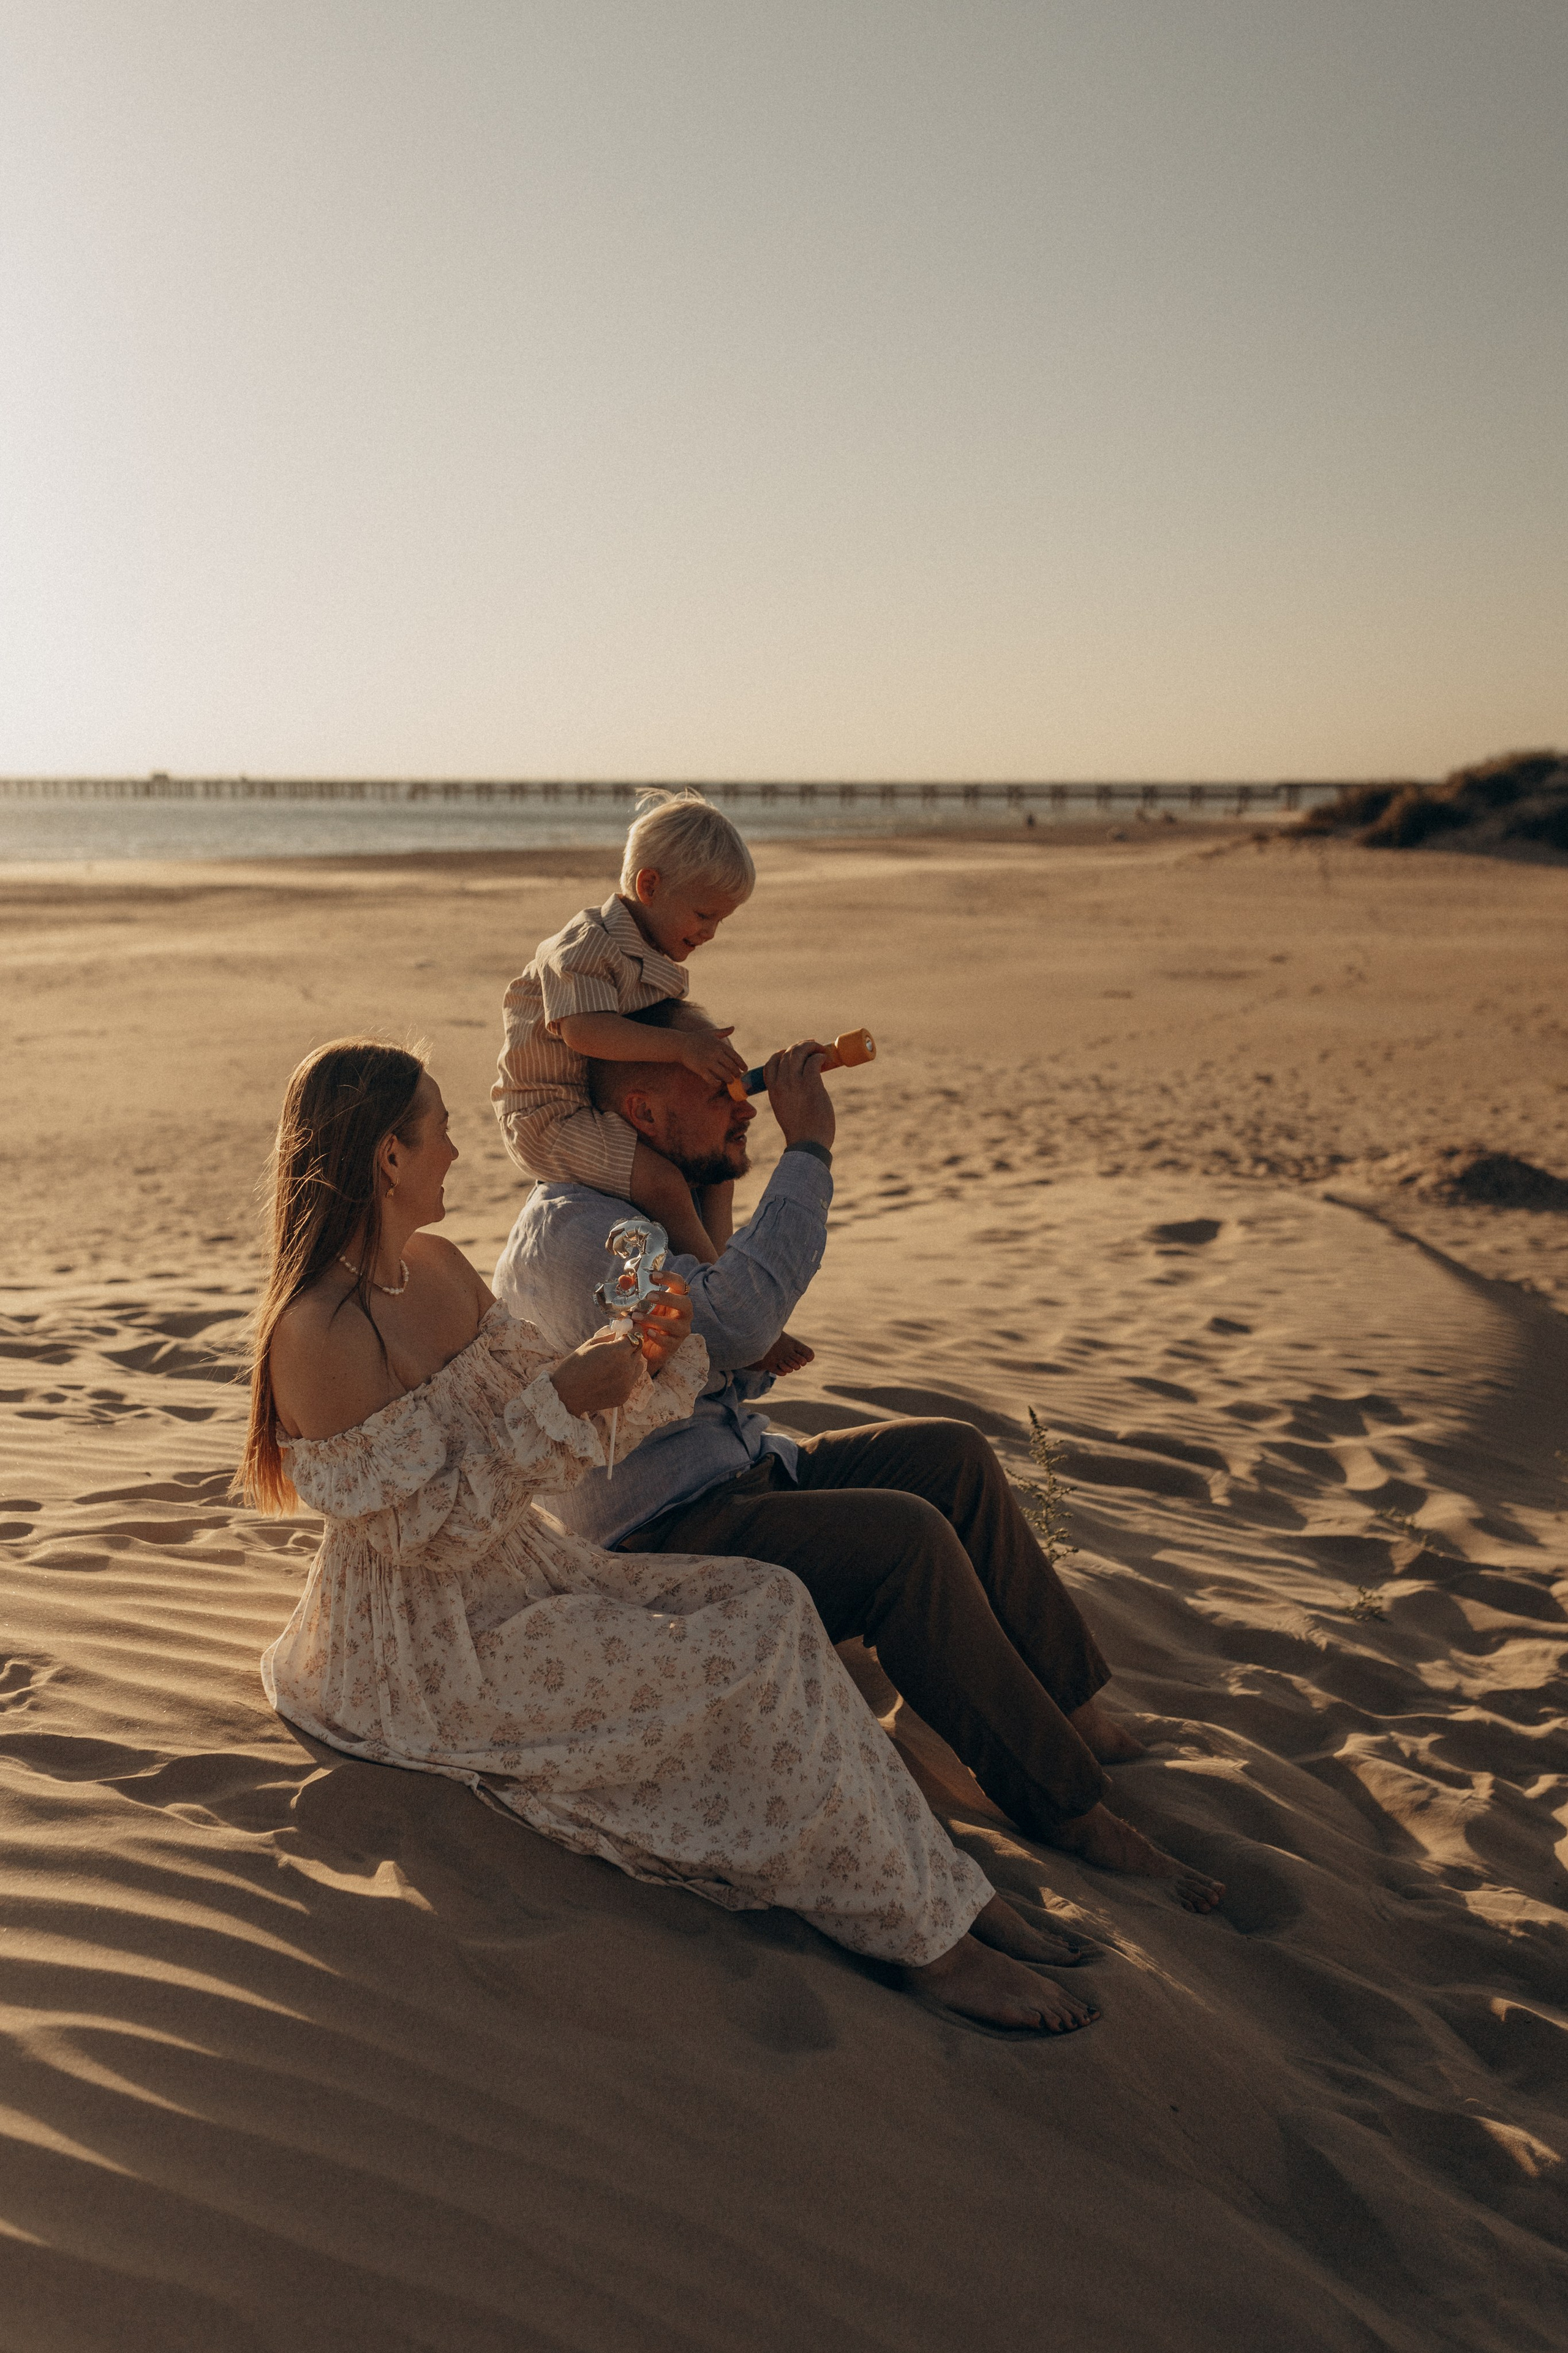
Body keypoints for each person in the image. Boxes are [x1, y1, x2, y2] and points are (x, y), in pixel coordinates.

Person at [244, 1036, 1101, 2035]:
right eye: (438, 1132)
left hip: (524, 1570)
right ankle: (932, 1943)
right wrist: (562, 1398)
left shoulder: (436, 1264)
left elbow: (551, 1413)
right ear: (389, 1157)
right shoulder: (313, 1333)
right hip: (429, 1648)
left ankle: (939, 1886)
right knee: (734, 1660)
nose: (458, 1155)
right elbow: (420, 1533)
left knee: (771, 1603)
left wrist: (642, 1356)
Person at [494, 1002, 1225, 1914]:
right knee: (903, 1540)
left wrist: (722, 1179)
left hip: (739, 1475)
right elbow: (738, 1327)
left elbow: (722, 1375)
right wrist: (808, 1154)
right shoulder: (588, 1233)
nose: (746, 1101)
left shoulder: (647, 1205)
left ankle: (1072, 1710)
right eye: (717, 1086)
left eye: (743, 1082)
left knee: (949, 1459)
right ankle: (1066, 1805)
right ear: (642, 1113)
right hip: (662, 1535)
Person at [491, 787, 754, 1265]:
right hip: (550, 1118)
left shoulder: (656, 956)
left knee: (718, 1173)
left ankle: (723, 1271)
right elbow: (585, 1032)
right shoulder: (585, 946)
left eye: (721, 920)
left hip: (605, 1101)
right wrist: (681, 1048)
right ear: (649, 886)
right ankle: (712, 1288)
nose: (711, 932)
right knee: (663, 1183)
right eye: (703, 914)